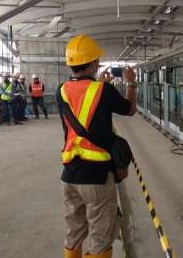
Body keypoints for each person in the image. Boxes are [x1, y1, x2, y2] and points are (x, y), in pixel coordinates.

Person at [57, 34, 136, 258]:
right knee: (101, 237)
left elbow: (87, 105)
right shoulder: (105, 91)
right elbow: (129, 109)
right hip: (97, 177)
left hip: (69, 174)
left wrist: (102, 84)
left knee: (73, 233)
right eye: (97, 61)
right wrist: (131, 82)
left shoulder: (61, 90)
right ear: (93, 64)